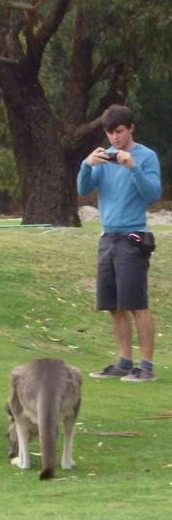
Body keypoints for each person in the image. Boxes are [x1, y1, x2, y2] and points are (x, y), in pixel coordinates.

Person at [77, 104, 162, 382]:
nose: (114, 138)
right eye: (110, 132)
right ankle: (124, 363)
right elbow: (83, 189)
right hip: (107, 237)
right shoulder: (103, 157)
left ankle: (146, 367)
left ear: (130, 129)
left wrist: (133, 168)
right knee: (114, 305)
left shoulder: (146, 157)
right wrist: (86, 165)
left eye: (119, 131)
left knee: (137, 304)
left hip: (133, 237)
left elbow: (153, 194)